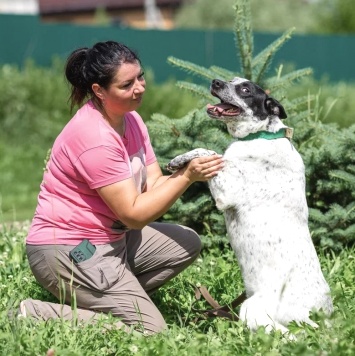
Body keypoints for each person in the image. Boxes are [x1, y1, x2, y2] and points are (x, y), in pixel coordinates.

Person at [21, 41, 224, 334]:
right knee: (152, 333)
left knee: (186, 243)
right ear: (99, 91)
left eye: (140, 77)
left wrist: (186, 168)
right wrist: (186, 177)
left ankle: (112, 299)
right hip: (69, 249)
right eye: (126, 84)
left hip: (113, 240)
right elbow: (133, 214)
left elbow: (152, 183)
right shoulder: (94, 137)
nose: (139, 88)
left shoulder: (132, 120)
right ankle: (40, 312)